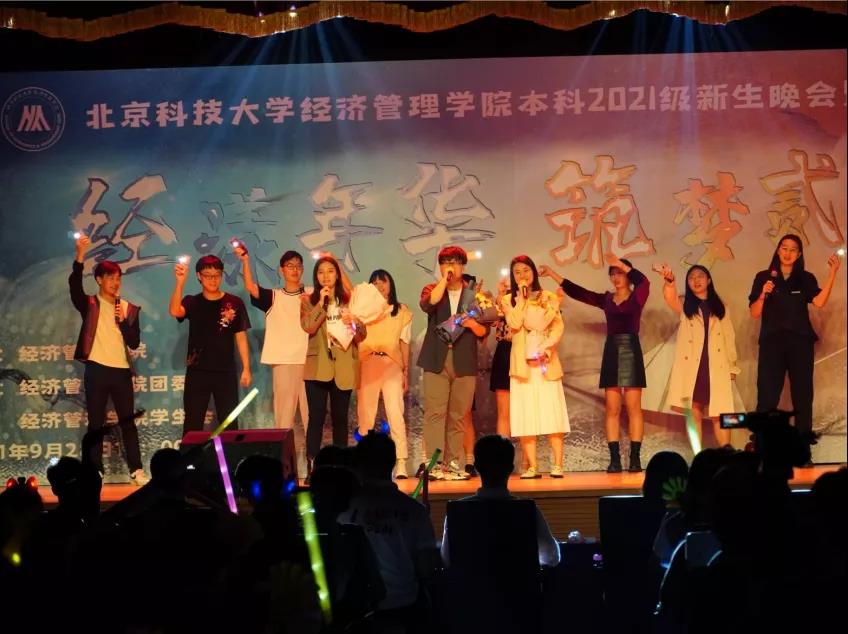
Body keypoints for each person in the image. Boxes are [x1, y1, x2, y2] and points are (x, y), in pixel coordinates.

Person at [540, 254, 649, 473]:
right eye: (613, 274)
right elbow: (579, 292)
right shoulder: (606, 299)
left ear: (628, 276)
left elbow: (645, 281)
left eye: (620, 273)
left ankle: (635, 459)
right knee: (612, 409)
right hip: (612, 351)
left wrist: (622, 264)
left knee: (634, 408)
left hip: (631, 350)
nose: (616, 277)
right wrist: (552, 273)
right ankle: (615, 460)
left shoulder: (638, 296)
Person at [748, 234, 841, 456]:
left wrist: (833, 274)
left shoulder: (805, 278)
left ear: (799, 254)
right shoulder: (764, 277)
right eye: (784, 248)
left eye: (793, 249)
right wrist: (763, 294)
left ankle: (803, 451)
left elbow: (819, 301)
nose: (788, 253)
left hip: (800, 343)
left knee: (803, 396)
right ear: (778, 250)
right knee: (767, 396)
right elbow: (754, 313)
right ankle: (763, 449)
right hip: (772, 343)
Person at [339, 431, 440, 633]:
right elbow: (426, 567)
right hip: (404, 605)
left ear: (358, 465)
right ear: (393, 462)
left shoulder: (344, 510)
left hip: (358, 608)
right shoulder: (415, 511)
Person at [69, 235, 147, 484]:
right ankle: (95, 471)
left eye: (118, 278)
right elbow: (74, 287)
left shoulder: (128, 308)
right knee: (96, 423)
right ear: (99, 280)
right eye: (110, 278)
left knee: (128, 423)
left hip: (121, 372)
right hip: (96, 370)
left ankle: (136, 470)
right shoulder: (90, 304)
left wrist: (122, 321)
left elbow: (134, 343)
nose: (115, 282)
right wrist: (80, 255)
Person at [417, 246, 489, 481]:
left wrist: (471, 324)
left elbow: (483, 331)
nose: (450, 267)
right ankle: (434, 464)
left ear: (463, 266)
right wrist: (443, 281)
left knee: (459, 414)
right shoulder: (432, 289)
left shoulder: (473, 296)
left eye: (455, 262)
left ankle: (453, 463)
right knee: (435, 413)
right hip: (436, 358)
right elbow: (429, 303)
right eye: (445, 262)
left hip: (464, 360)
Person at [440, 434, 560, 566]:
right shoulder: (529, 511)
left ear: (476, 467)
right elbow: (551, 557)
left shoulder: (457, 511)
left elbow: (447, 559)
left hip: (470, 580)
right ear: (511, 468)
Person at [499, 255, 570, 478]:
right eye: (517, 272)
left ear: (534, 272)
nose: (522, 275)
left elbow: (557, 328)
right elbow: (514, 323)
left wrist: (546, 349)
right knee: (525, 412)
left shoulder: (548, 297)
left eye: (526, 270)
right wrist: (521, 299)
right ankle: (532, 466)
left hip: (545, 361)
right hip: (522, 363)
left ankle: (557, 464)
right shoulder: (508, 300)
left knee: (552, 410)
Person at [656, 264, 740, 447]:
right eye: (691, 277)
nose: (696, 280)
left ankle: (727, 455)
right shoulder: (685, 304)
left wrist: (733, 367)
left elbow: (729, 337)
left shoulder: (722, 307)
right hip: (693, 366)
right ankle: (698, 457)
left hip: (717, 365)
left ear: (708, 280)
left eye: (700, 276)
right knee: (694, 412)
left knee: (721, 414)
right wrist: (669, 282)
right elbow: (669, 297)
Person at [169, 254, 252, 435]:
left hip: (225, 372)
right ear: (199, 276)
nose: (213, 280)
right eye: (208, 275)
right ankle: (191, 455)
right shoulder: (192, 301)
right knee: (193, 422)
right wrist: (180, 282)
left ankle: (229, 455)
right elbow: (175, 311)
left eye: (217, 275)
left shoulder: (234, 303)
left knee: (229, 422)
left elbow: (241, 336)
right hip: (197, 371)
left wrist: (246, 368)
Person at [301, 254, 366, 469]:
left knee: (340, 420)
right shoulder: (307, 301)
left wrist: (353, 322)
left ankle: (341, 467)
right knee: (316, 418)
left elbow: (361, 335)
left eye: (330, 271)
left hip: (343, 367)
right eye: (321, 272)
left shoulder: (349, 300)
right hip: (317, 367)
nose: (326, 276)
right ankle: (312, 466)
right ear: (316, 277)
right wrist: (321, 303)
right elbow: (308, 327)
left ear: (337, 275)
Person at [237, 247, 310, 432]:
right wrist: (245, 260)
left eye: (298, 266)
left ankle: (314, 451)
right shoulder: (273, 296)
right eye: (290, 266)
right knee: (284, 416)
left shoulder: (311, 294)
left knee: (312, 414)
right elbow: (251, 287)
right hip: (284, 361)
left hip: (310, 360)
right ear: (281, 270)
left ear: (303, 269)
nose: (295, 270)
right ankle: (283, 450)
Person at [356, 269, 413, 478]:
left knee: (395, 412)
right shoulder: (363, 311)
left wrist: (406, 371)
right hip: (367, 362)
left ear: (391, 285)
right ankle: (365, 462)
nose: (380, 286)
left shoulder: (401, 311)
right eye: (375, 283)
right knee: (366, 414)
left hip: (391, 364)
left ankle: (401, 462)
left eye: (384, 282)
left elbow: (404, 343)